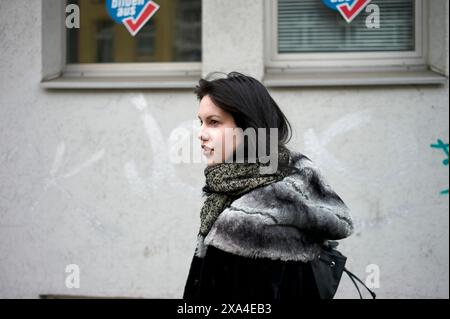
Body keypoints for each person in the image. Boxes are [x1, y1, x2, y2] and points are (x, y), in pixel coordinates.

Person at [183, 71, 354, 301]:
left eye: (214, 122)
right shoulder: (236, 189)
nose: (201, 134)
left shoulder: (252, 221)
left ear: (249, 128)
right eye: (201, 122)